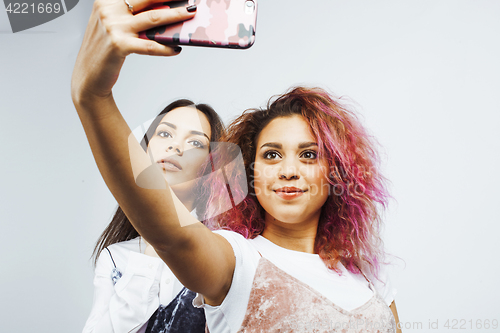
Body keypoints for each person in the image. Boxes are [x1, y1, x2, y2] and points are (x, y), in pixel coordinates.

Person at [72, 0, 401, 332]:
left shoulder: (368, 275)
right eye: (271, 155)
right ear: (250, 173)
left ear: (336, 172)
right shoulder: (236, 261)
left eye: (309, 155)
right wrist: (93, 97)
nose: (288, 169)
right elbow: (173, 237)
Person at [82, 99, 224, 333]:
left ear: (211, 167)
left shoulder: (227, 250)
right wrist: (151, 251)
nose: (176, 147)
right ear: (145, 151)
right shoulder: (116, 258)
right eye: (165, 134)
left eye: (196, 142)